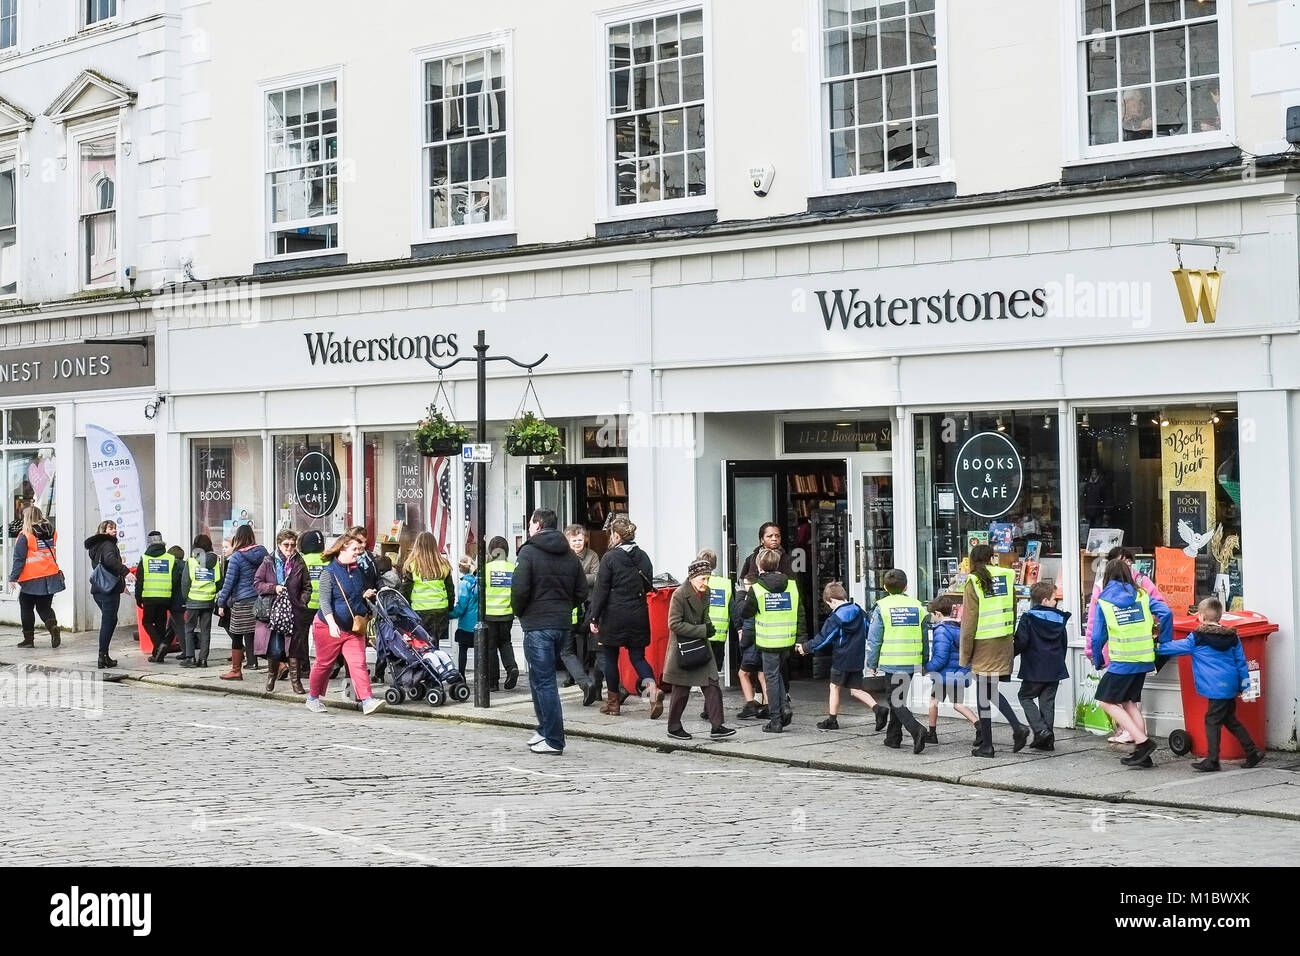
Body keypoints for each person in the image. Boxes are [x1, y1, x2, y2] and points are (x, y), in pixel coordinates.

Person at [510, 508, 587, 754]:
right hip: (562, 623)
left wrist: (521, 612)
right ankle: (544, 729)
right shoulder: (570, 556)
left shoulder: (529, 552)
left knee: (543, 682)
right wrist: (564, 608)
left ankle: (554, 739)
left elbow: (519, 590)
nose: (530, 527)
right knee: (539, 680)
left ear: (538, 525)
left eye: (531, 523)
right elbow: (581, 592)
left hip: (538, 625)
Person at [1157, 598, 1264, 772]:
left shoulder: (1198, 637)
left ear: (1202, 616)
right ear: (1220, 616)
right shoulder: (1232, 637)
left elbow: (1176, 647)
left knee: (1211, 721)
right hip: (1230, 684)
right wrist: (1245, 685)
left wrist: (1156, 647)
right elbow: (1241, 662)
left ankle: (1213, 760)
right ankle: (1252, 752)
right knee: (1230, 720)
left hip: (1215, 687)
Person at [1091, 558, 1173, 768]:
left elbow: (1098, 637)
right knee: (1128, 703)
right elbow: (1167, 613)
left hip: (1122, 661)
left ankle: (1143, 742)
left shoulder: (1104, 601)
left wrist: (1098, 660)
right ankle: (1142, 755)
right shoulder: (1143, 595)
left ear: (1107, 578)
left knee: (1106, 701)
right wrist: (1164, 641)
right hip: (1144, 658)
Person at [960, 544, 1030, 758]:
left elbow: (969, 622)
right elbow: (1014, 607)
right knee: (988, 691)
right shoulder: (1008, 576)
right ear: (992, 558)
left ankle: (990, 744)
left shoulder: (973, 580)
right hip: (1003, 639)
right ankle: (1016, 729)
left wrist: (965, 654)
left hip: (983, 642)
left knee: (984, 693)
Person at [589, 515, 661, 718]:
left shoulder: (610, 558)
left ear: (617, 536)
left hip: (614, 614)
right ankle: (652, 693)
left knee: (611, 658)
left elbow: (600, 590)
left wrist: (594, 617)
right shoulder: (643, 556)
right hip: (638, 612)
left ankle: (613, 704)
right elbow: (648, 585)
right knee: (638, 657)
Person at [306, 530, 384, 715]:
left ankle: (367, 701)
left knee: (358, 663)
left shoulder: (357, 572)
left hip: (352, 628)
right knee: (323, 664)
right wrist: (332, 624)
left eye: (359, 549)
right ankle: (312, 698)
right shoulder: (329, 572)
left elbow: (356, 594)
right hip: (327, 627)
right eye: (355, 549)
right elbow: (324, 601)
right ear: (343, 548)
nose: (358, 552)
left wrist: (365, 595)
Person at [795, 581, 888, 732]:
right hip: (857, 656)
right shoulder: (859, 610)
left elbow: (824, 638)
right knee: (855, 689)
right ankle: (878, 709)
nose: (829, 607)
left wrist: (806, 647)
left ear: (832, 600)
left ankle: (832, 720)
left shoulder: (835, 618)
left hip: (842, 657)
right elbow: (869, 631)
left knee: (834, 686)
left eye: (828, 604)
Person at [664, 559, 735, 740]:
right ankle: (673, 726)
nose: (706, 583)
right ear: (693, 577)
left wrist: (709, 627)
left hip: (701, 645)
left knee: (712, 684)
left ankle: (717, 726)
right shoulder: (679, 594)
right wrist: (702, 630)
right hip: (683, 648)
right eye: (703, 579)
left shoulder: (707, 592)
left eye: (708, 578)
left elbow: (705, 616)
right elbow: (674, 624)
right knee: (681, 688)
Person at [739, 547, 804, 734]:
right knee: (777, 676)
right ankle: (784, 707)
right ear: (778, 565)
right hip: (787, 640)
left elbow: (746, 613)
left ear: (759, 566)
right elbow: (800, 613)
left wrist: (743, 596)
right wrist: (801, 638)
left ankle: (775, 720)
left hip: (768, 641)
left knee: (772, 678)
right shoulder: (791, 585)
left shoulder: (757, 588)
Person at [863, 569, 927, 754]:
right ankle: (893, 738)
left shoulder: (882, 607)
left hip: (892, 661)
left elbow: (874, 639)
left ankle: (916, 730)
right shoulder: (917, 606)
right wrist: (924, 661)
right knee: (899, 699)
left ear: (884, 587)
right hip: (911, 661)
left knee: (894, 699)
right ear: (906, 587)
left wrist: (872, 664)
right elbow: (924, 637)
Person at [1013, 580, 1071, 751]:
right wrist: (1059, 661)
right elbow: (1064, 644)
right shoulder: (1059, 619)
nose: (1056, 602)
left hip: (1034, 667)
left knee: (1024, 696)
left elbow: (1021, 642)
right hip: (1054, 667)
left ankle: (1041, 730)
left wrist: (1011, 654)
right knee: (1048, 702)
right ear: (1045, 601)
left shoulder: (1028, 617)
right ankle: (1047, 740)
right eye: (1054, 599)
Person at [255, 529, 311, 693]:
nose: (289, 548)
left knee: (294, 649)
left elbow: (307, 586)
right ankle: (272, 676)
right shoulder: (269, 561)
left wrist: (302, 601)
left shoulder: (299, 562)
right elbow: (257, 583)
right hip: (273, 612)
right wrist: (274, 588)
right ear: (279, 544)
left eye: (293, 545)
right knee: (275, 648)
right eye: (286, 544)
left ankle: (296, 683)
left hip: (293, 611)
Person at [215, 524, 269, 681]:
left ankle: (236, 670)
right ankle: (279, 665)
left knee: (237, 636)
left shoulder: (237, 557)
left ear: (238, 538)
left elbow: (229, 582)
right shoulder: (263, 552)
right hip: (261, 600)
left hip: (242, 601)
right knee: (262, 636)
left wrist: (221, 602)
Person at [9, 505, 65, 650]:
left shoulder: (25, 535)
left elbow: (19, 559)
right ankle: (53, 627)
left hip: (32, 578)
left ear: (27, 518)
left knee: (26, 607)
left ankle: (28, 640)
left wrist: (13, 577)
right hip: (51, 576)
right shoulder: (52, 532)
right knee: (44, 607)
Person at [558, 523, 601, 705]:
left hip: (587, 603)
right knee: (568, 643)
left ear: (585, 539)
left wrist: (576, 577)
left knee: (582, 640)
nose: (577, 543)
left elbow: (597, 576)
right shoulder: (564, 556)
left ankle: (582, 673)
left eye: (580, 540)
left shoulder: (592, 556)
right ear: (567, 541)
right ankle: (571, 676)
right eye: (573, 540)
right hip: (569, 604)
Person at [924, 594, 976, 743]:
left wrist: (927, 668)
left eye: (933, 615)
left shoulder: (941, 630)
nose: (933, 619)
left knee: (933, 701)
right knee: (958, 704)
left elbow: (940, 657)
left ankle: (932, 734)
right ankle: (980, 728)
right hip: (959, 672)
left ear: (938, 614)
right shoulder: (959, 627)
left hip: (944, 674)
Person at [85, 519, 128, 669]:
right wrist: (125, 572)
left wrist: (121, 582)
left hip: (99, 589)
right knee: (108, 622)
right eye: (110, 528)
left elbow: (105, 567)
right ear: (103, 531)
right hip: (108, 590)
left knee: (110, 620)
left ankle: (104, 655)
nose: (114, 531)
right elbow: (110, 561)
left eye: (115, 528)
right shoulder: (108, 544)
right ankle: (102, 656)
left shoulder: (97, 546)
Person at [401, 532, 455, 650]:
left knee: (422, 645)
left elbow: (405, 591)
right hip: (440, 611)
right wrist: (450, 608)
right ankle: (437, 665)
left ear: (417, 545)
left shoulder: (412, 565)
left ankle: (426, 667)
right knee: (435, 644)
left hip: (420, 611)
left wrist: (404, 610)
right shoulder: (443, 564)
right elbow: (450, 589)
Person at [134, 531, 181, 663]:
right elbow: (176, 579)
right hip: (165, 596)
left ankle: (160, 644)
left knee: (147, 622)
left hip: (149, 596)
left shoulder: (145, 558)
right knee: (160, 624)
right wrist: (171, 595)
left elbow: (140, 580)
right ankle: (157, 654)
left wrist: (138, 597)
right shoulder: (170, 558)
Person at [482, 536, 520, 690]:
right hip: (507, 613)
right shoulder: (512, 568)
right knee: (505, 642)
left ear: (491, 551)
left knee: (491, 647)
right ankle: (512, 668)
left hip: (490, 614)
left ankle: (492, 683)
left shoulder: (485, 568)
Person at [179, 536, 221, 669]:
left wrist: (187, 599)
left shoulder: (191, 562)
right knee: (206, 630)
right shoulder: (215, 562)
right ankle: (203, 660)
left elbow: (185, 583)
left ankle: (190, 658)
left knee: (189, 628)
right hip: (208, 601)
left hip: (193, 600)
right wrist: (211, 592)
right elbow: (220, 582)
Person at [297, 530, 328, 684]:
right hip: (324, 606)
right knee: (326, 638)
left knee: (302, 638)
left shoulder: (302, 560)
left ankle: (304, 669)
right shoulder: (327, 560)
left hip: (305, 605)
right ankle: (329, 667)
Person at [449, 555, 479, 676]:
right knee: (479, 651)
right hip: (477, 624)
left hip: (466, 624)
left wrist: (449, 614)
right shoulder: (477, 581)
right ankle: (480, 675)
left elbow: (461, 607)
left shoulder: (464, 584)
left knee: (463, 650)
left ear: (461, 567)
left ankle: (461, 675)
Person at [164, 544, 188, 657]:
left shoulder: (172, 566)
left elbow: (171, 584)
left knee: (179, 625)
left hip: (175, 601)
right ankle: (163, 646)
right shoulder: (187, 566)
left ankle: (186, 651)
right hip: (185, 599)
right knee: (172, 624)